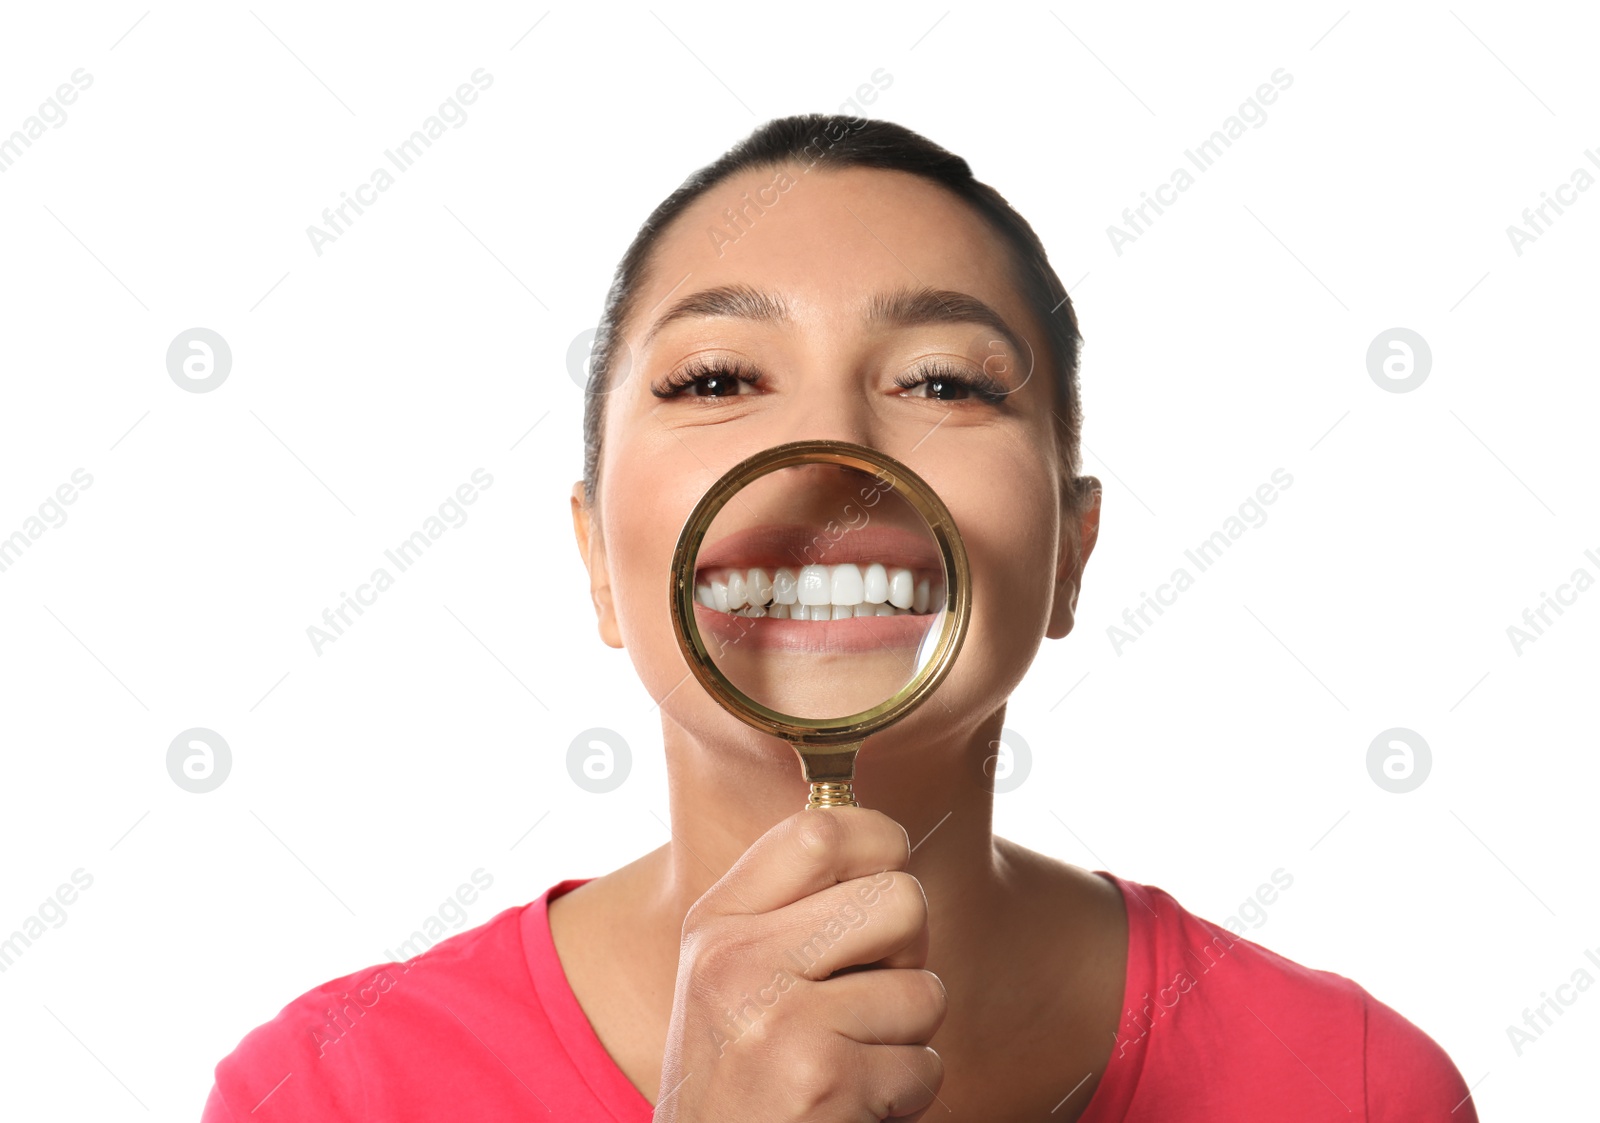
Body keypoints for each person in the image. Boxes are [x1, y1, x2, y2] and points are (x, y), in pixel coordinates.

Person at [201, 114, 1477, 1121]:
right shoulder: (329, 1092)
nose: (830, 447)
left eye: (942, 381)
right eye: (714, 377)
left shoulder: (1354, 1087)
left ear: (1073, 552)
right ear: (597, 557)